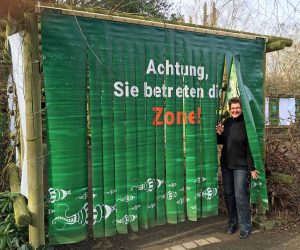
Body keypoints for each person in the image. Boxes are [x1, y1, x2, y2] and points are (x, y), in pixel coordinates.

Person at [216, 97, 259, 239]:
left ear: (241, 108)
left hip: (241, 166)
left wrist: (251, 167)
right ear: (229, 109)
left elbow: (249, 148)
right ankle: (232, 222)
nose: (235, 110)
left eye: (237, 108)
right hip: (226, 165)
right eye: (232, 108)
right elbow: (222, 142)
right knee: (228, 195)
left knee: (240, 195)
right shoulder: (227, 122)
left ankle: (246, 226)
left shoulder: (247, 124)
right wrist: (219, 134)